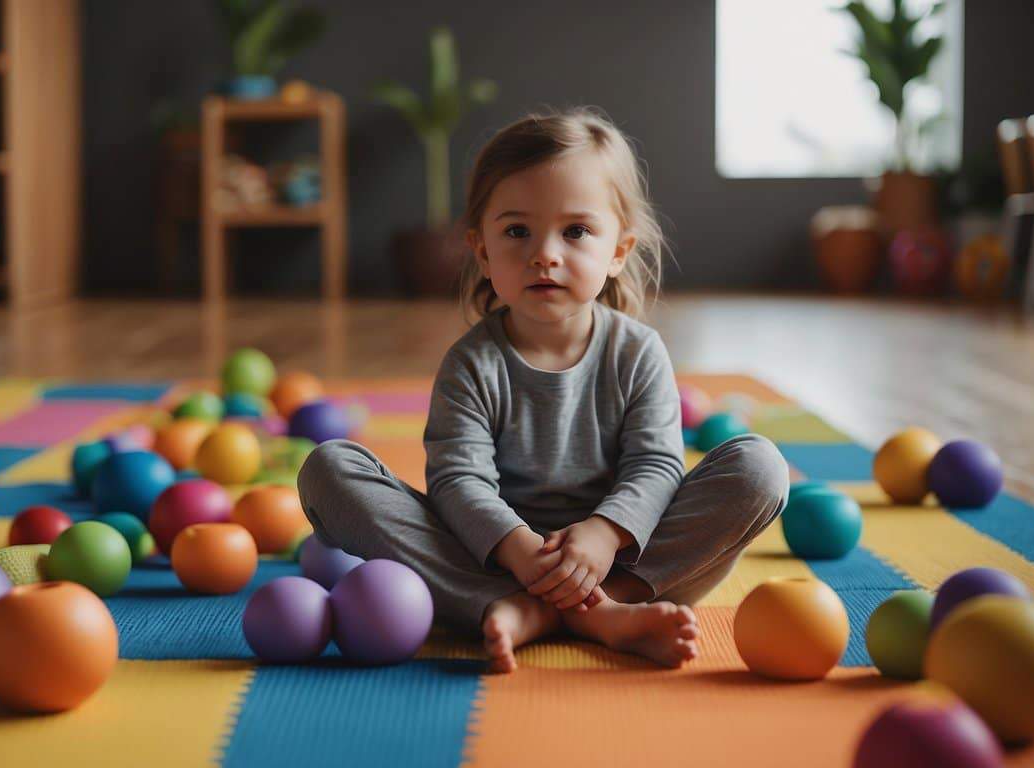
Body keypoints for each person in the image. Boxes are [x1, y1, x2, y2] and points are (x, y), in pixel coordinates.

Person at [298, 107, 788, 672]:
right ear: (481, 250)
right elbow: (459, 481)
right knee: (329, 470)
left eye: (575, 231)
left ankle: (602, 605)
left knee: (760, 468)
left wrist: (603, 536)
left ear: (618, 251)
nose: (544, 253)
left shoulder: (637, 352)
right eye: (516, 231)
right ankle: (541, 607)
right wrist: (522, 552)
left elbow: (655, 468)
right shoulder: (471, 364)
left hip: (622, 560)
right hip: (494, 558)